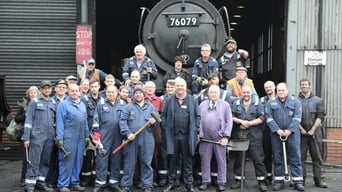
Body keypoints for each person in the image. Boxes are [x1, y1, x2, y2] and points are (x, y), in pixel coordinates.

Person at [161, 77, 200, 192]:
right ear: (175, 87)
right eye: (177, 86)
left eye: (182, 86)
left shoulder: (193, 100)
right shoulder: (168, 100)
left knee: (188, 161)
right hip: (172, 136)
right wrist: (164, 127)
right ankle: (171, 183)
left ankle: (189, 185)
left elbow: (198, 116)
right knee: (172, 161)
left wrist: (196, 129)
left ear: (186, 87)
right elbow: (163, 115)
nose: (180, 88)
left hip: (187, 136)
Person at [265, 82, 305, 191]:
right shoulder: (271, 102)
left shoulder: (295, 101)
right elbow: (268, 118)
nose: (281, 92)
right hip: (276, 134)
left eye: (283, 90)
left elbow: (297, 118)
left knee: (295, 157)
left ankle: (298, 181)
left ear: (287, 90)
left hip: (292, 134)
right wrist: (277, 130)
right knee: (278, 157)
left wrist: (289, 130)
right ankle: (279, 181)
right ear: (276, 91)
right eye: (279, 90)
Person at [119, 86, 159, 192]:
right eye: (136, 93)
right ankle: (126, 185)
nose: (138, 94)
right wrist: (127, 134)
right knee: (129, 163)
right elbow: (122, 121)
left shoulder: (151, 108)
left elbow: (158, 123)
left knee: (146, 162)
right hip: (132, 139)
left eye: (140, 93)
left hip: (147, 139)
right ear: (133, 95)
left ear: (144, 95)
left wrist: (154, 123)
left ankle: (147, 185)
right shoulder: (128, 107)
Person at [230, 85, 268, 192]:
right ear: (241, 93)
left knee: (258, 159)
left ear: (251, 93)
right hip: (240, 135)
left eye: (248, 92)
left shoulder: (258, 104)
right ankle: (239, 180)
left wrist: (249, 123)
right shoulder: (235, 103)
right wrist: (241, 122)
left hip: (254, 136)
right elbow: (231, 116)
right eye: (244, 92)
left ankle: (261, 181)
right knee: (239, 159)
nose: (246, 94)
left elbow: (262, 118)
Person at [21, 80, 56, 192]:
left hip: (49, 138)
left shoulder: (53, 102)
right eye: (44, 88)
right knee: (34, 161)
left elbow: (54, 121)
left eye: (48, 88)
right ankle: (30, 186)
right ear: (40, 89)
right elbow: (28, 120)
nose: (47, 90)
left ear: (51, 89)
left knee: (45, 161)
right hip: (36, 137)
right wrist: (26, 137)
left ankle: (40, 182)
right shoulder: (34, 102)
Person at [198, 85, 232, 191]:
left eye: (215, 92)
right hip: (205, 139)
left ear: (219, 94)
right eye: (211, 92)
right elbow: (198, 120)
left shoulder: (225, 105)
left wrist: (226, 136)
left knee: (221, 161)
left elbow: (229, 121)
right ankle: (205, 181)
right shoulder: (202, 104)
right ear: (208, 93)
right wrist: (199, 134)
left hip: (220, 139)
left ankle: (221, 182)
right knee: (204, 160)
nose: (213, 94)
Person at [56, 83, 89, 192]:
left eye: (76, 91)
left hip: (80, 137)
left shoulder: (82, 104)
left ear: (79, 92)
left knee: (78, 160)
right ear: (68, 92)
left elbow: (85, 122)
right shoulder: (63, 105)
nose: (74, 93)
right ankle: (63, 185)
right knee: (66, 160)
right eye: (72, 91)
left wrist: (87, 135)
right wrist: (59, 138)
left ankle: (74, 182)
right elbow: (60, 123)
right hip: (68, 136)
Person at [92, 85, 123, 192]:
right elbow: (95, 122)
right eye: (108, 92)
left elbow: (126, 122)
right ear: (105, 93)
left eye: (113, 92)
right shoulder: (100, 104)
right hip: (104, 137)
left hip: (118, 137)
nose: (110, 94)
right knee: (101, 160)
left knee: (116, 160)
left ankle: (114, 182)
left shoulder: (123, 105)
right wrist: (97, 139)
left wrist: (124, 137)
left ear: (117, 93)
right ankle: (100, 183)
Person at [297, 79, 327, 188]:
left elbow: (320, 116)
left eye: (306, 85)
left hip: (315, 134)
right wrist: (301, 130)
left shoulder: (318, 100)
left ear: (310, 86)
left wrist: (312, 130)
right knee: (300, 158)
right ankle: (300, 180)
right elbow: (293, 117)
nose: (304, 86)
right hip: (301, 134)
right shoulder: (295, 100)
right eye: (302, 85)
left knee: (317, 157)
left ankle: (319, 180)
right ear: (300, 87)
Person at [14, 86, 40, 186]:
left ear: (38, 93)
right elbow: (17, 119)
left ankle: (35, 178)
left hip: (37, 134)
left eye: (34, 92)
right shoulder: (24, 105)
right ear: (28, 94)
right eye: (31, 93)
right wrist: (26, 115)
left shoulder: (41, 103)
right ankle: (24, 178)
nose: (33, 94)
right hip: (25, 134)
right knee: (27, 158)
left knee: (36, 158)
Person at [46, 79, 69, 188]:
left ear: (67, 89)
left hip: (66, 134)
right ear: (55, 89)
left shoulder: (70, 101)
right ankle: (50, 180)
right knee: (52, 158)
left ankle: (62, 180)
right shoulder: (50, 101)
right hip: (52, 134)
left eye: (64, 87)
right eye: (59, 87)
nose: (61, 89)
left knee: (64, 158)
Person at [80, 79, 102, 187]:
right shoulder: (84, 99)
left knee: (98, 157)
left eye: (95, 86)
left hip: (100, 133)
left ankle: (95, 178)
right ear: (89, 87)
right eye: (91, 86)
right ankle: (85, 178)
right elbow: (83, 116)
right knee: (87, 156)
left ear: (99, 87)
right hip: (88, 131)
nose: (94, 88)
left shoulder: (103, 100)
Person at [144, 81, 164, 187]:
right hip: (143, 131)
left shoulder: (159, 100)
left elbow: (162, 116)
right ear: (145, 89)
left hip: (155, 131)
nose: (150, 89)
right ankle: (141, 179)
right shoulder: (141, 99)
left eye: (152, 87)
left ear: (155, 89)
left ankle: (153, 178)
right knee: (143, 155)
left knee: (154, 155)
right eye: (148, 87)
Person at [259, 80, 276, 185]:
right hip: (266, 131)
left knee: (279, 155)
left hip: (278, 131)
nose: (268, 89)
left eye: (270, 86)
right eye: (266, 87)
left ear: (274, 87)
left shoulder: (281, 99)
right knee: (267, 154)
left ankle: (280, 177)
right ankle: (269, 175)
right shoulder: (261, 101)